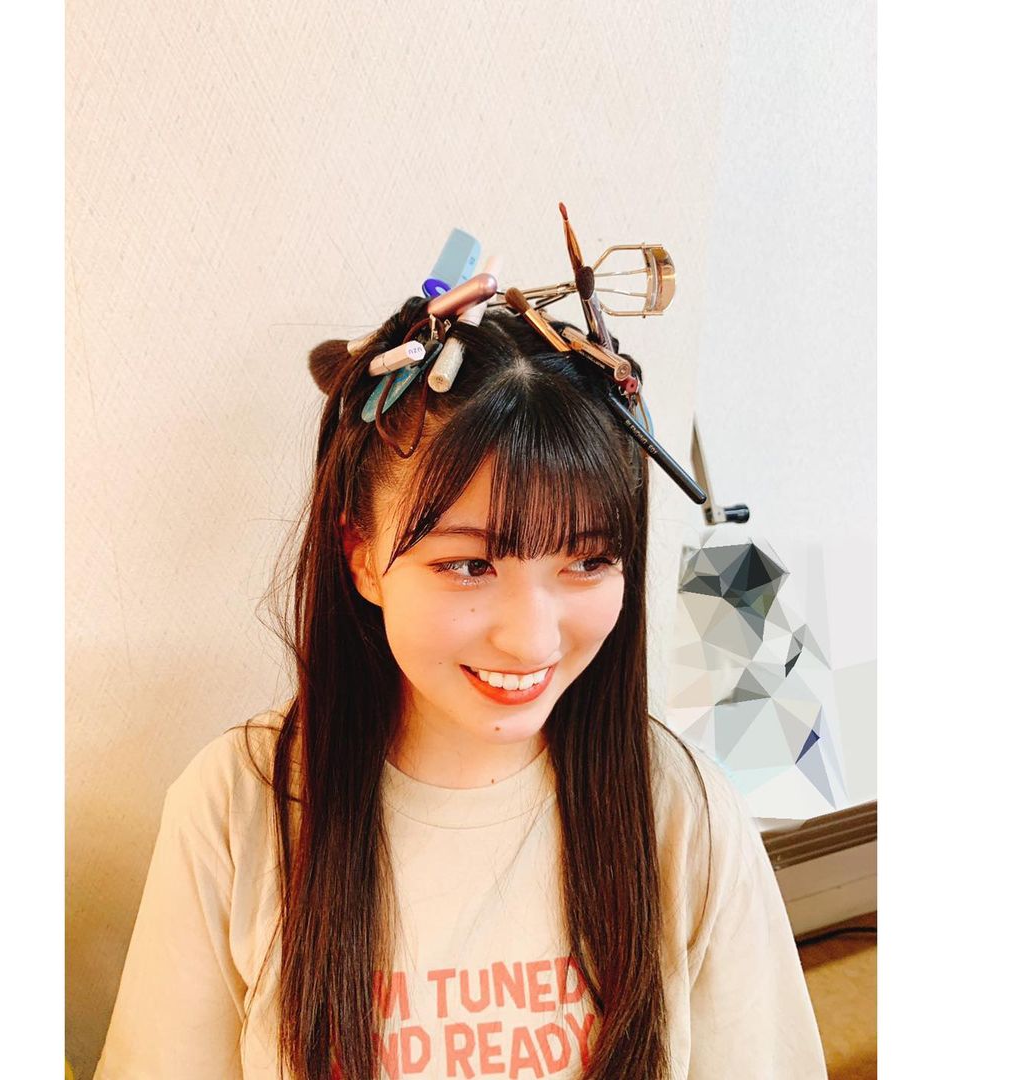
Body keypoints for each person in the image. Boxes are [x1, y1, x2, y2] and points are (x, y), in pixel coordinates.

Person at [94, 290, 827, 1079]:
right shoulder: (238, 808)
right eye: (470, 565)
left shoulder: (683, 811)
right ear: (361, 555)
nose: (532, 638)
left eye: (587, 560)